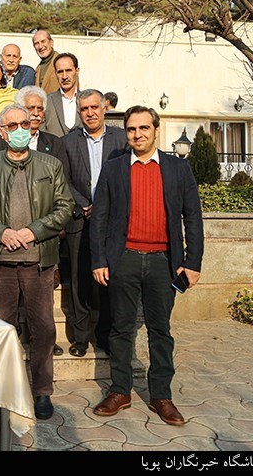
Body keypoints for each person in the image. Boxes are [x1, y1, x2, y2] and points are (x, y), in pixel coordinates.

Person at [90, 105, 203, 426]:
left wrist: (192, 263)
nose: (137, 135)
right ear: (125, 133)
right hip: (123, 259)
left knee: (160, 331)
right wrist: (99, 259)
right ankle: (120, 390)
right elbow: (100, 217)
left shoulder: (178, 169)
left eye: (144, 129)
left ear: (156, 130)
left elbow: (192, 217)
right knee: (121, 328)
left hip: (163, 263)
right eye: (131, 129)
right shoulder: (113, 169)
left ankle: (161, 395)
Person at [0, 103, 74, 421]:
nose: (18, 130)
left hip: (38, 261)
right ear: (1, 131)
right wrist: (1, 233)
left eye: (24, 124)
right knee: (2, 329)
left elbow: (64, 206)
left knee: (43, 328)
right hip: (0, 261)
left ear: (32, 126)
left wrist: (32, 231)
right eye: (11, 126)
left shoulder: (50, 164)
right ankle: (1, 389)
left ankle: (42, 392)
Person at [61, 89, 129, 357]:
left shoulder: (121, 139)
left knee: (110, 280)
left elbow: (127, 179)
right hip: (81, 218)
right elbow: (63, 180)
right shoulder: (68, 142)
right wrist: (84, 205)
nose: (89, 113)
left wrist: (105, 207)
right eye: (84, 109)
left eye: (94, 108)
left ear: (104, 109)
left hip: (112, 223)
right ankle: (80, 338)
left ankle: (105, 335)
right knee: (80, 280)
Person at [43, 52, 84, 137]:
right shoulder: (46, 101)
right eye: (60, 72)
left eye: (68, 70)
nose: (64, 76)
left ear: (77, 71)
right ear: (55, 74)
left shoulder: (86, 100)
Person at [33, 29, 61, 94]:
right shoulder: (38, 68)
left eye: (43, 41)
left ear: (51, 42)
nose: (40, 46)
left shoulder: (63, 63)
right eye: (36, 43)